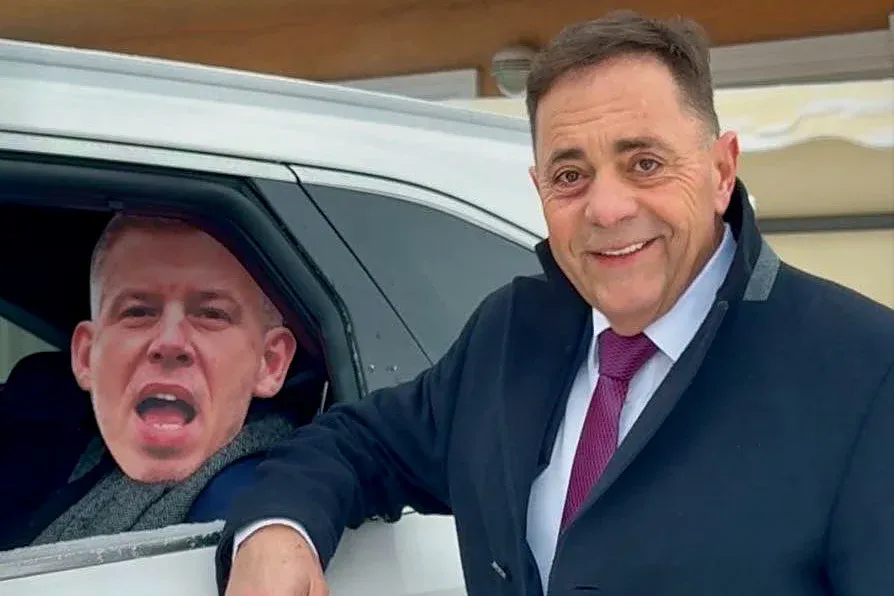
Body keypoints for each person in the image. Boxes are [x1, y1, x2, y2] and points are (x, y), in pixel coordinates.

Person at [216, 11, 894, 596]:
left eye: (644, 163)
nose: (607, 208)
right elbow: (361, 444)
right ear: (539, 188)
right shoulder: (512, 333)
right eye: (571, 175)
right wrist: (279, 529)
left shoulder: (864, 372)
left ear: (721, 171)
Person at [0, 214, 301, 549]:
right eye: (138, 312)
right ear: (86, 357)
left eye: (211, 314)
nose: (170, 342)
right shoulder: (67, 463)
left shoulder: (264, 516)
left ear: (270, 363)